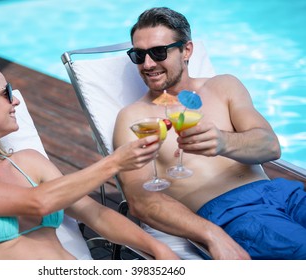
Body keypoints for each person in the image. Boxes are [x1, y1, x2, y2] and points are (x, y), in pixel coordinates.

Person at [0, 58, 179, 260]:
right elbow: (38, 203)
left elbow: (95, 213)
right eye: (6, 92)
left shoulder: (28, 162)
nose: (15, 100)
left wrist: (158, 249)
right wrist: (114, 162)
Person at [113, 7, 306, 260]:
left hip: (283, 193)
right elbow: (141, 200)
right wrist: (212, 234)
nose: (148, 64)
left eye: (158, 52)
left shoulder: (223, 85)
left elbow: (270, 146)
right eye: (138, 55)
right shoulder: (134, 117)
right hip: (232, 213)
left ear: (187, 50)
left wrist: (223, 141)